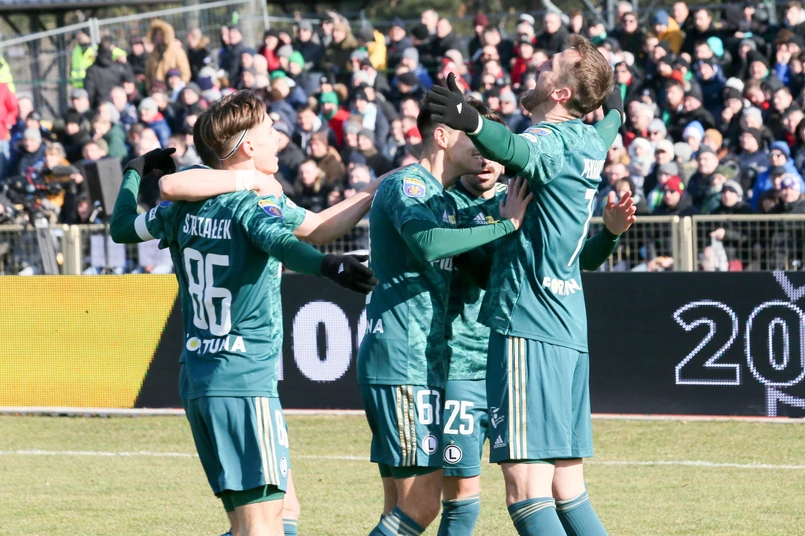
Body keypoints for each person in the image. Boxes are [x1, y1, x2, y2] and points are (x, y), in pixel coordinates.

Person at [109, 91, 377, 536]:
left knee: (282, 511)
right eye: (271, 129)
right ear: (249, 146)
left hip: (201, 377)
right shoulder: (249, 202)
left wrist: (133, 175)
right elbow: (286, 244)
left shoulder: (182, 207)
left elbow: (122, 227)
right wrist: (328, 265)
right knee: (262, 526)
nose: (279, 137)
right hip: (243, 377)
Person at [425, 33, 620, 534]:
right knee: (567, 487)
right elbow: (609, 125)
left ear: (561, 93)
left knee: (526, 491)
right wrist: (614, 106)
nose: (538, 65)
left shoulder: (549, 139)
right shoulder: (590, 140)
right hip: (568, 327)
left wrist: (471, 121)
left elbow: (513, 148)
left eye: (550, 65)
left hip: (528, 326)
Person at [357, 102, 533, 534]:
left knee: (401, 507)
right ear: (442, 137)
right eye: (471, 137)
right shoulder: (409, 185)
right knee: (421, 507)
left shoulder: (441, 200)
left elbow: (482, 272)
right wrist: (506, 226)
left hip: (422, 362)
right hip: (403, 359)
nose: (482, 148)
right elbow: (428, 244)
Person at [145, 20, 191, 89]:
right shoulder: (153, 54)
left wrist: (178, 88)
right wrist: (149, 88)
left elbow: (185, 73)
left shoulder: (177, 51)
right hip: (157, 90)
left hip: (173, 88)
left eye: (161, 34)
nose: (158, 37)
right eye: (156, 34)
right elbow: (148, 75)